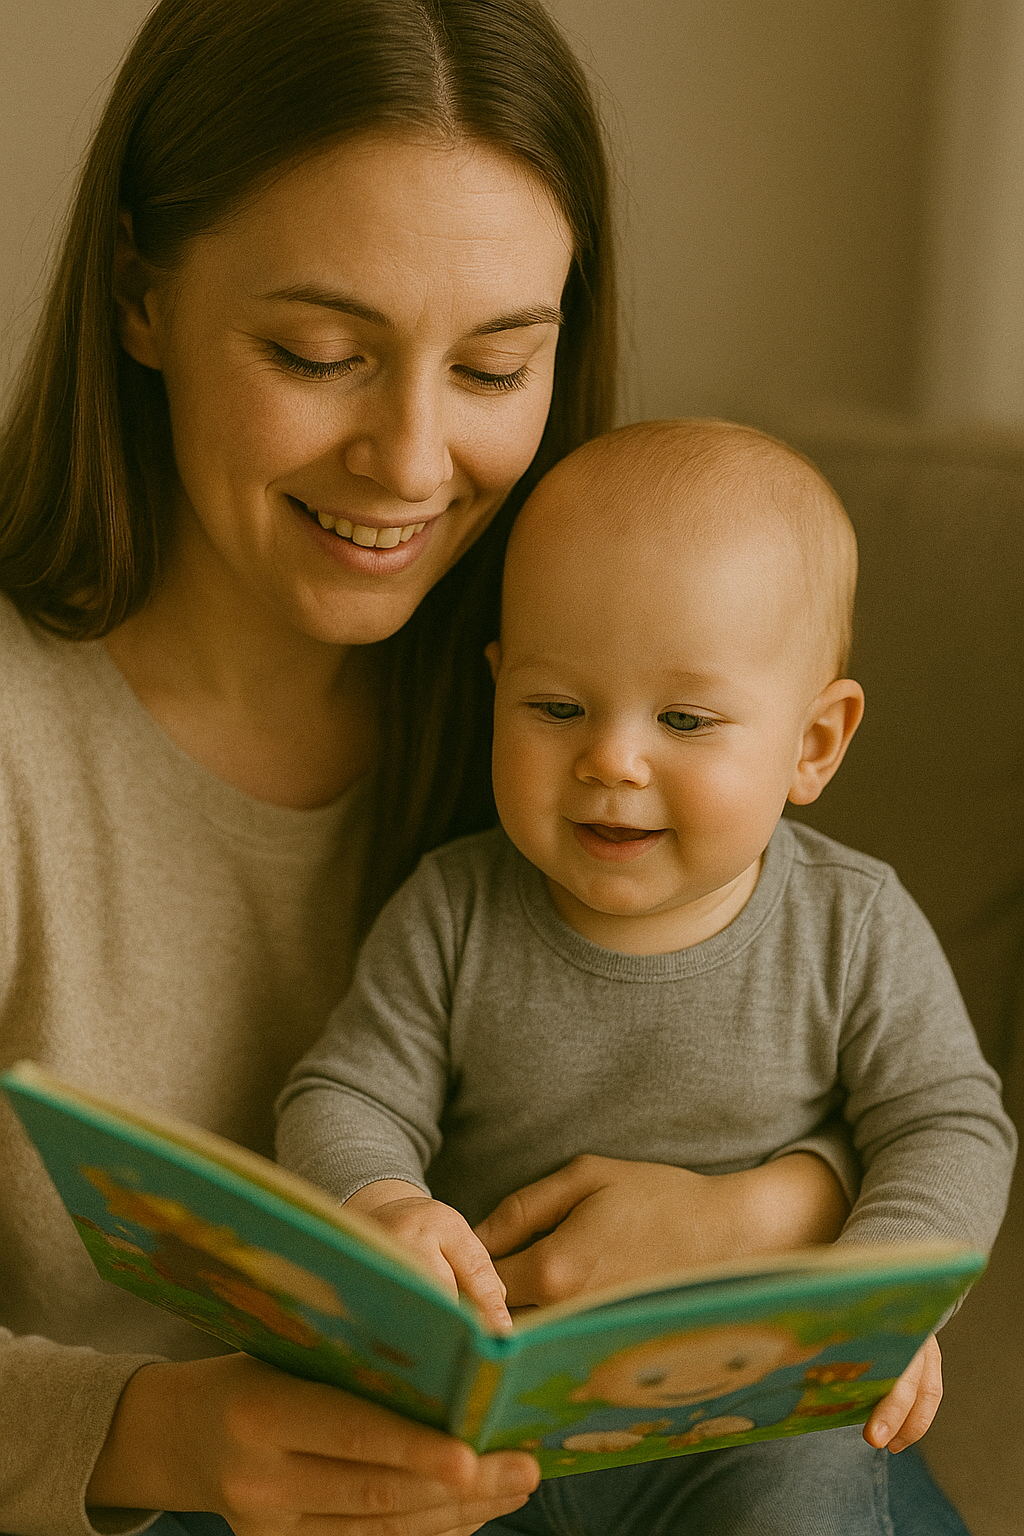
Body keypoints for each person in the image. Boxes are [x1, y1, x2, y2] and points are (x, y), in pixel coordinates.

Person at [0, 5, 895, 1535]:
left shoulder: (582, 699)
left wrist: (761, 1209)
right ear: (141, 295)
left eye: (493, 368)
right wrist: (152, 1435)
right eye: (319, 354)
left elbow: (837, 1049)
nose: (414, 462)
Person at [276, 419, 1017, 1535]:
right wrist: (381, 1201)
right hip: (503, 1420)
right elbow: (342, 1094)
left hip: (756, 1415)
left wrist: (873, 1300)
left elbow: (951, 1124)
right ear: (498, 690)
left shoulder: (849, 923)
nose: (611, 758)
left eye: (682, 719)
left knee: (813, 1493)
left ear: (814, 743)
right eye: (556, 707)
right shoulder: (454, 907)